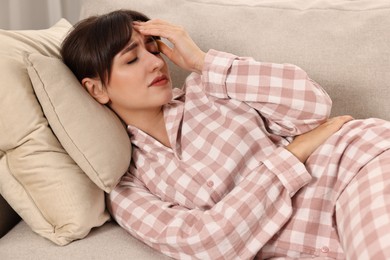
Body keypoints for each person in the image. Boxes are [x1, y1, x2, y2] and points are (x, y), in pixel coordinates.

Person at [61, 9, 390, 260]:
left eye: (153, 49)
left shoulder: (209, 89)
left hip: (356, 168)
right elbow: (206, 244)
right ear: (97, 88)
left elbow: (312, 105)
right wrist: (291, 156)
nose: (155, 64)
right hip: (313, 243)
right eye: (132, 59)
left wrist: (203, 62)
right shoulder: (126, 184)